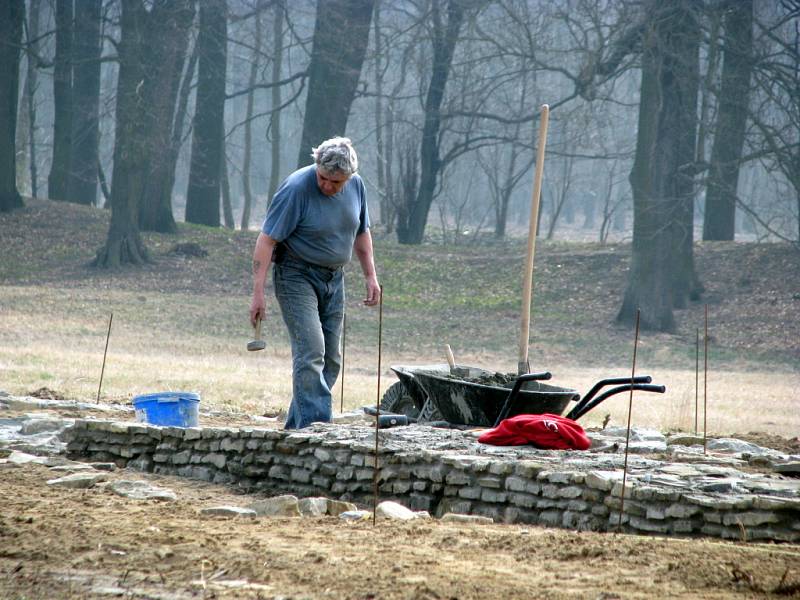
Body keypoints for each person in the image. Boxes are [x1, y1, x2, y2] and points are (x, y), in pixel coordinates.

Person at [249, 137, 380, 429]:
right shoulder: (296, 189)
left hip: (335, 278)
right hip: (296, 275)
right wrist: (258, 292)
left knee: (331, 359)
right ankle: (316, 431)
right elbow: (267, 240)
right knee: (311, 351)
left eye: (336, 182)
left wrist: (371, 275)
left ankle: (298, 428)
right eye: (323, 178)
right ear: (316, 165)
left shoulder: (357, 186)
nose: (328, 186)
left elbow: (361, 233)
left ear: (348, 177)